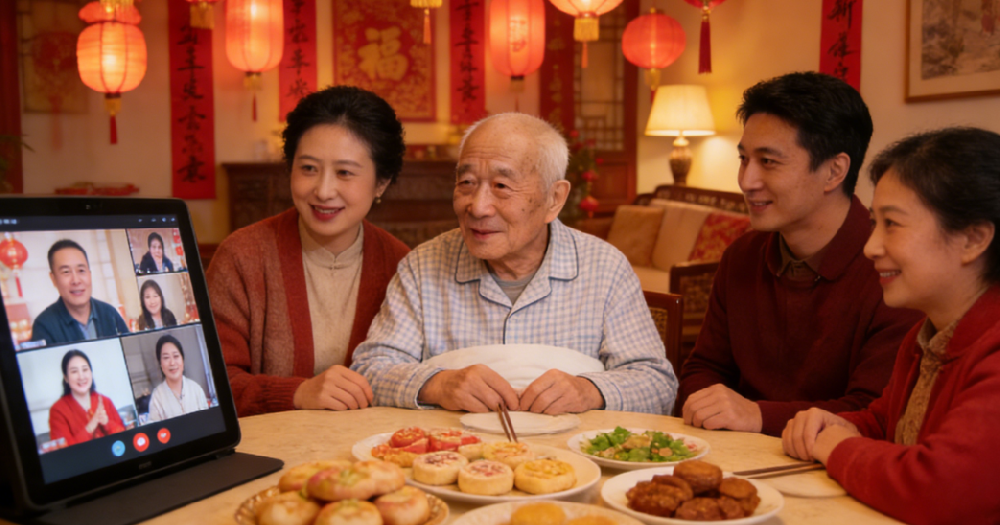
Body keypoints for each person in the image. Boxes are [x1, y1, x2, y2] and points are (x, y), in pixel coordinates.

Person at [350, 113, 677, 415]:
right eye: (467, 183)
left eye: (502, 186)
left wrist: (590, 391)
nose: (478, 207)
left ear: (555, 199)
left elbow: (658, 384)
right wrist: (438, 384)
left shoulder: (605, 268)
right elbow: (371, 369)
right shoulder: (423, 266)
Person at [677, 72, 922, 436]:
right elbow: (705, 368)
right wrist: (709, 406)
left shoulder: (890, 268)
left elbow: (874, 411)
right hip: (733, 453)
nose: (746, 181)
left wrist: (758, 416)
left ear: (834, 171)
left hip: (835, 462)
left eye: (768, 161)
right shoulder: (742, 256)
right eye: (744, 159)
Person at [782, 128, 1000, 524]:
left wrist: (839, 448)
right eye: (873, 223)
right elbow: (890, 424)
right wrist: (839, 425)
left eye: (892, 224)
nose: (870, 247)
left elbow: (940, 489)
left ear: (973, 238)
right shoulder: (927, 334)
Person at [206, 86, 410, 417]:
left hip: (375, 444)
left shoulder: (401, 266)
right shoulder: (243, 256)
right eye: (309, 169)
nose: (323, 191)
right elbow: (208, 383)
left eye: (344, 173)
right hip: (271, 443)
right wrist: (297, 393)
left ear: (381, 183)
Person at [31, 239, 130, 345]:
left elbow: (130, 351)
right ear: (53, 279)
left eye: (81, 270)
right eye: (66, 272)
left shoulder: (109, 313)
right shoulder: (44, 326)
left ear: (90, 274)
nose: (76, 280)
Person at [48, 349, 125, 446]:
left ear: (91, 373)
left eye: (85, 370)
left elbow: (124, 438)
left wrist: (107, 423)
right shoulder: (58, 411)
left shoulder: (106, 401)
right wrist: (90, 426)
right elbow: (63, 451)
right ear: (66, 378)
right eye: (74, 371)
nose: (81, 377)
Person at [147, 335, 209, 421]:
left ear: (182, 359)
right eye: (166, 358)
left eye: (176, 356)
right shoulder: (157, 397)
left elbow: (207, 421)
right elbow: (155, 427)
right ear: (160, 364)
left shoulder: (196, 389)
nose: (172, 363)